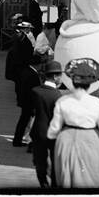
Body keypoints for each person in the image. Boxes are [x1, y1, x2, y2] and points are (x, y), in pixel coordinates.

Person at [47, 58, 99, 188]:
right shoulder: (97, 103)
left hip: (65, 141)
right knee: (90, 178)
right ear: (90, 83)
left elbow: (53, 130)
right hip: (90, 141)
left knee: (65, 178)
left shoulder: (63, 101)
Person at [29, 59, 66, 187]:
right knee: (56, 162)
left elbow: (31, 113)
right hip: (54, 134)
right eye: (60, 75)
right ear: (55, 77)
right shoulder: (58, 96)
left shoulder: (35, 91)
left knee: (40, 162)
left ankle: (43, 184)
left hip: (38, 131)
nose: (61, 78)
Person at [12, 48, 44, 146]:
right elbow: (34, 91)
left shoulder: (25, 71)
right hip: (29, 103)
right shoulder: (33, 76)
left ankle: (18, 139)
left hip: (24, 101)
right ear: (37, 65)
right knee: (26, 121)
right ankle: (20, 140)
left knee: (23, 121)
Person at [5, 20, 35, 85]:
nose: (30, 30)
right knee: (19, 81)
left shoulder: (19, 35)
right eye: (29, 28)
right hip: (19, 63)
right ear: (25, 29)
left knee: (18, 81)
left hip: (17, 62)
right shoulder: (21, 37)